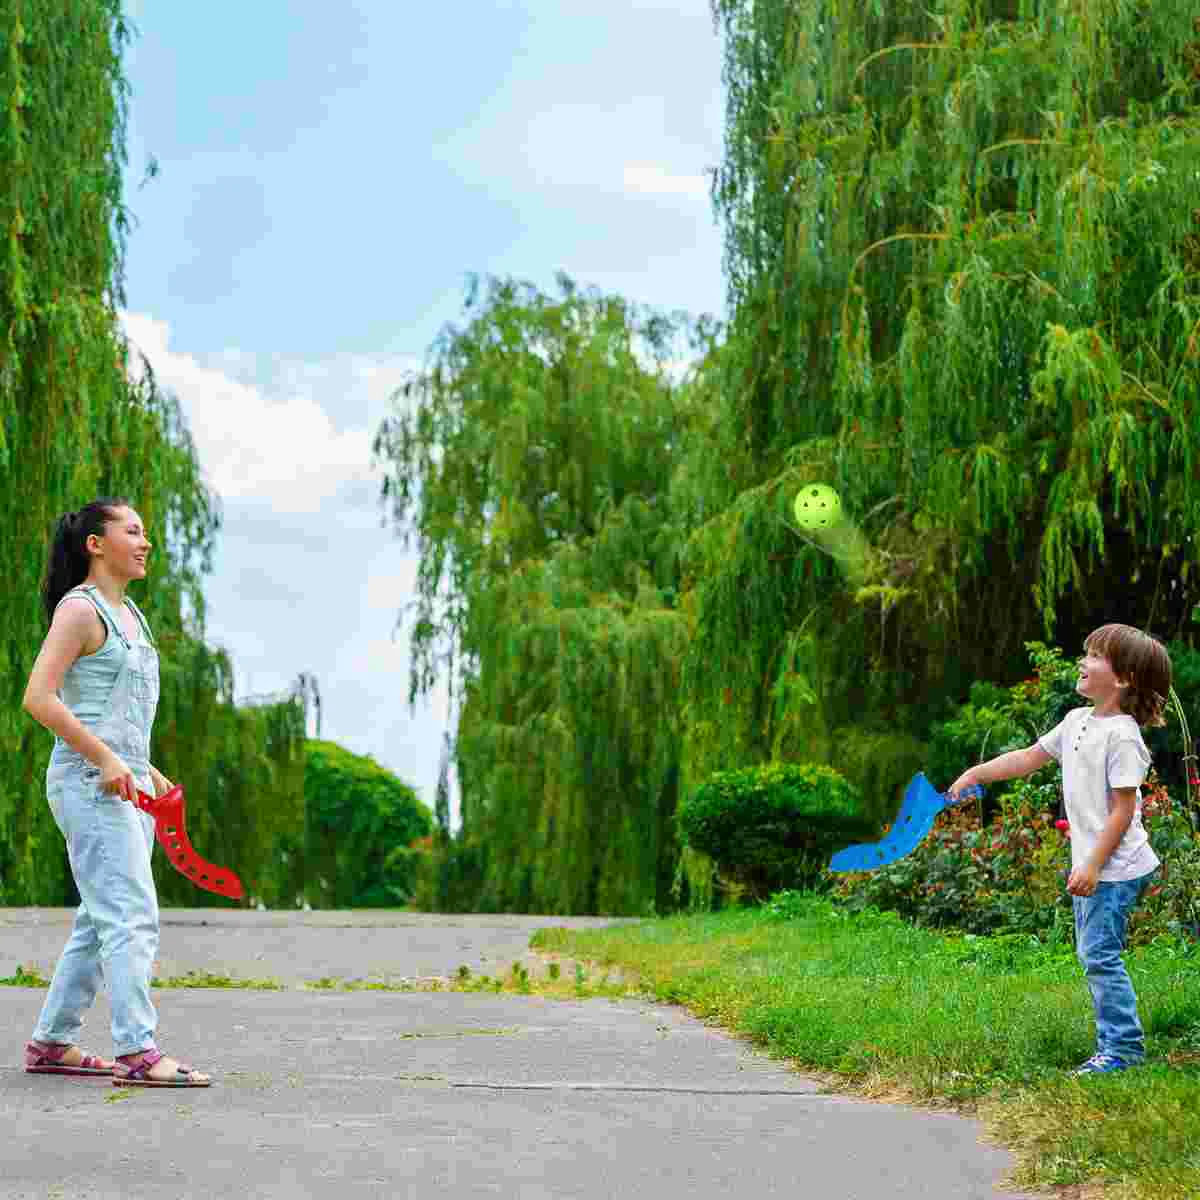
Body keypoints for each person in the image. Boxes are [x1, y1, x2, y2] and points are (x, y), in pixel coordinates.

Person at [21, 498, 210, 1087]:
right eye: (132, 531)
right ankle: (138, 1052)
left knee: (98, 918)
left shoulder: (132, 615)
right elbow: (39, 698)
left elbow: (116, 712)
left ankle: (52, 1042)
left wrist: (148, 770)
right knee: (131, 915)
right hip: (87, 782)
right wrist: (104, 757)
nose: (145, 541)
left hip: (126, 785)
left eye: (145, 532)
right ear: (96, 544)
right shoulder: (80, 610)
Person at [950, 623, 1171, 1076]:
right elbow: (1029, 757)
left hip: (1116, 866)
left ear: (1124, 677)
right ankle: (1114, 1043)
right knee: (1094, 953)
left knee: (1099, 956)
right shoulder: (1077, 721)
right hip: (1096, 864)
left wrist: (1091, 864)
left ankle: (1122, 1050)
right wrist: (976, 773)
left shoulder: (1123, 737)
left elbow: (1123, 812)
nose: (1082, 661)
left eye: (1094, 655)